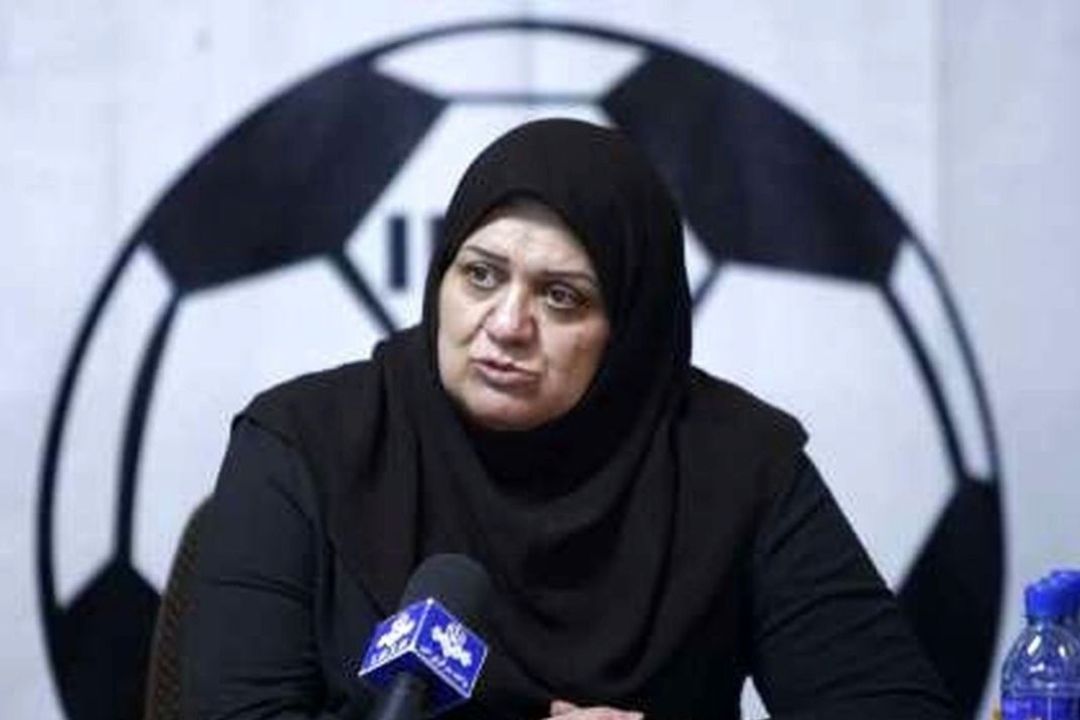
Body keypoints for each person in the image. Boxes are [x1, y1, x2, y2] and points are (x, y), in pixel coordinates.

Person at [181, 119, 956, 720]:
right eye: (480, 275)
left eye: (562, 297)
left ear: (631, 331)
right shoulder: (303, 443)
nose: (506, 324)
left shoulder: (739, 465)